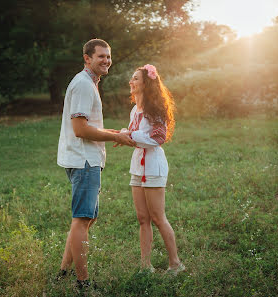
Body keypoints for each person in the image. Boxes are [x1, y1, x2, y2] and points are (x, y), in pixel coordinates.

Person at [57, 39, 136, 289]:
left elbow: (89, 124)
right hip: (84, 160)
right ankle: (83, 283)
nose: (106, 61)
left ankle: (63, 273)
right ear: (87, 58)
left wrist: (116, 132)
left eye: (108, 56)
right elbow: (80, 129)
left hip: (86, 159)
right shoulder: (83, 84)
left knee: (87, 219)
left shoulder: (89, 83)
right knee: (82, 219)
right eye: (100, 56)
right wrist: (115, 136)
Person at [121, 64, 185, 274]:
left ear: (146, 83)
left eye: (135, 79)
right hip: (138, 165)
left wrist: (130, 136)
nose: (131, 82)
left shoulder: (154, 109)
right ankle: (145, 266)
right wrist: (122, 135)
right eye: (132, 78)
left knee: (158, 217)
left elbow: (158, 138)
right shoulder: (135, 110)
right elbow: (134, 135)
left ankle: (176, 264)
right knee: (142, 218)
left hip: (154, 166)